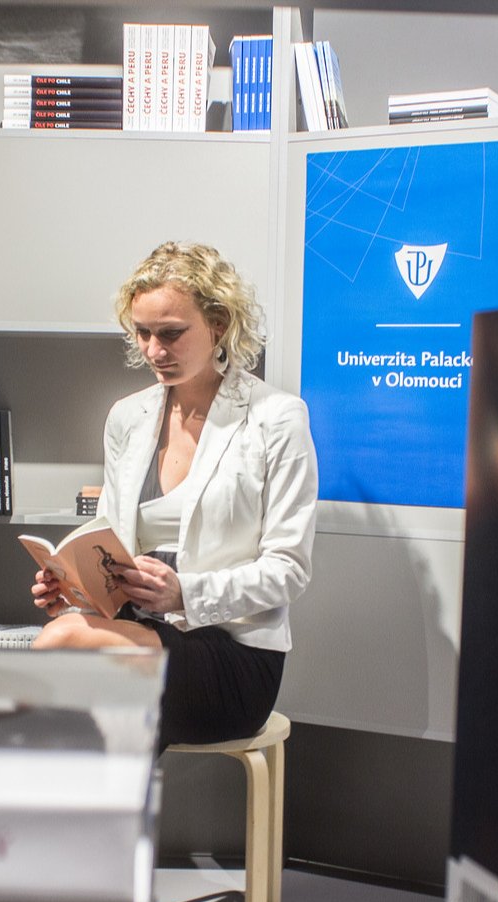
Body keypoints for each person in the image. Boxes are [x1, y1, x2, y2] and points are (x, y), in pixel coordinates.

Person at [31, 242, 319, 749]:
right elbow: (107, 541)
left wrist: (185, 592)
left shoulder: (277, 418)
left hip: (231, 654)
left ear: (219, 324)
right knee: (81, 684)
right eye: (142, 333)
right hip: (136, 630)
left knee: (65, 647)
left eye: (170, 333)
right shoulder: (127, 417)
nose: (153, 350)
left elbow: (289, 570)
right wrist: (74, 585)